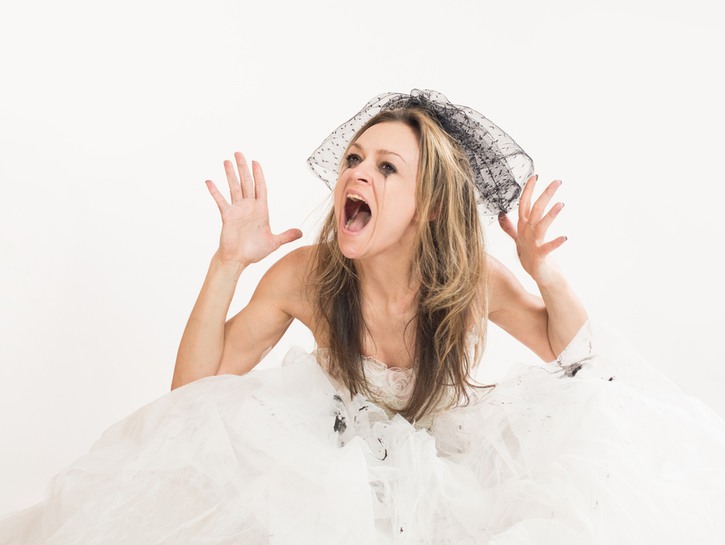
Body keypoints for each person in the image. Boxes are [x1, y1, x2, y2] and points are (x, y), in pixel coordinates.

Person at [2, 90, 724, 544]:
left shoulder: (468, 280)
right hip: (332, 469)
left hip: (446, 471)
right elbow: (190, 397)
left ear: (428, 206)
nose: (357, 173)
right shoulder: (306, 278)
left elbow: (580, 358)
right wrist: (227, 264)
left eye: (386, 167)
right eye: (355, 158)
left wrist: (545, 272)